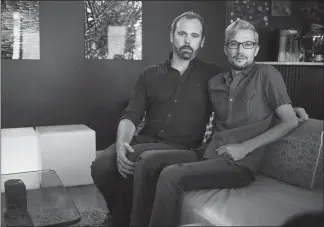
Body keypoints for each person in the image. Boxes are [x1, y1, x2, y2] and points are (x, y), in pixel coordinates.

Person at [90, 12, 308, 227]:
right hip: (179, 146)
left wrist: (287, 108)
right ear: (172, 36)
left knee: (147, 163)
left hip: (210, 153)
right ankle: (121, 218)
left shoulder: (228, 75)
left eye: (194, 35)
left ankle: (122, 221)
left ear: (202, 41)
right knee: (109, 165)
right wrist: (122, 143)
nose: (187, 40)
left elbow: (269, 104)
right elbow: (132, 114)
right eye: (182, 34)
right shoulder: (206, 80)